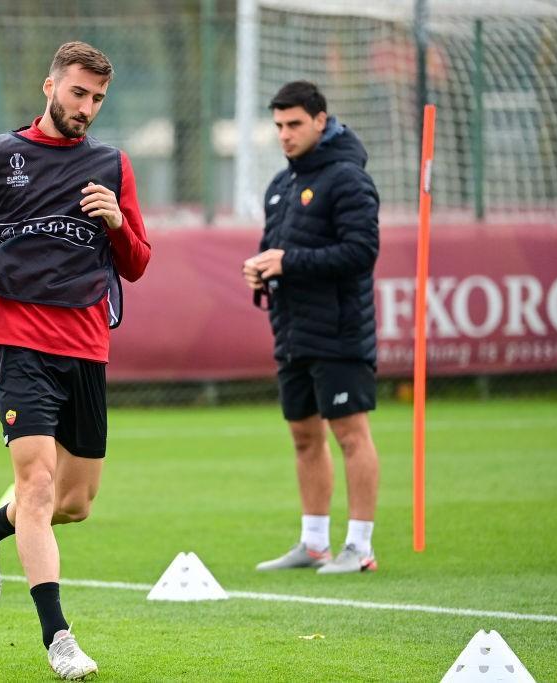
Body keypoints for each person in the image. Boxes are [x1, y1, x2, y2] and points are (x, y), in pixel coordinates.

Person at [0, 42, 150, 679]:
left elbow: (136, 263)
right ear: (48, 85)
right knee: (38, 486)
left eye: (98, 99)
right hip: (18, 341)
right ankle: (60, 640)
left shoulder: (112, 165)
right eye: (78, 93)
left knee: (74, 503)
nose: (87, 108)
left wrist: (117, 225)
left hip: (87, 346)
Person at [242, 80, 380, 575]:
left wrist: (288, 261)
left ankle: (360, 546)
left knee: (350, 433)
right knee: (303, 435)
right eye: (278, 125)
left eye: (294, 123)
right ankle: (314, 542)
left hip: (340, 329)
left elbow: (362, 252)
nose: (285, 134)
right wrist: (261, 268)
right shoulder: (281, 185)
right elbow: (276, 251)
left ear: (321, 120)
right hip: (293, 329)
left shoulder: (348, 179)